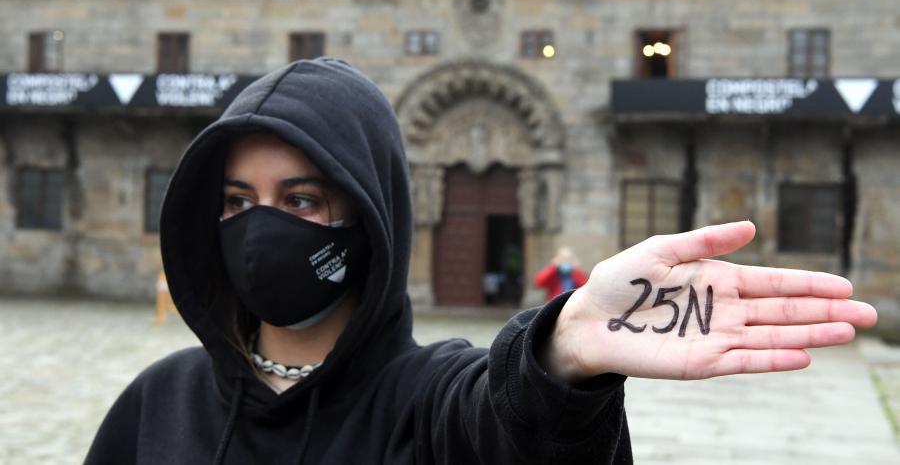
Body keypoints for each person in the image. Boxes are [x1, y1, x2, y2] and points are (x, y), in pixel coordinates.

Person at [85, 58, 878, 464]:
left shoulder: (432, 406)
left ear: (372, 215)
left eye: (300, 200)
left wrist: (561, 353)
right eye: (235, 200)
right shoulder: (159, 402)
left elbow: (505, 422)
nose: (259, 228)